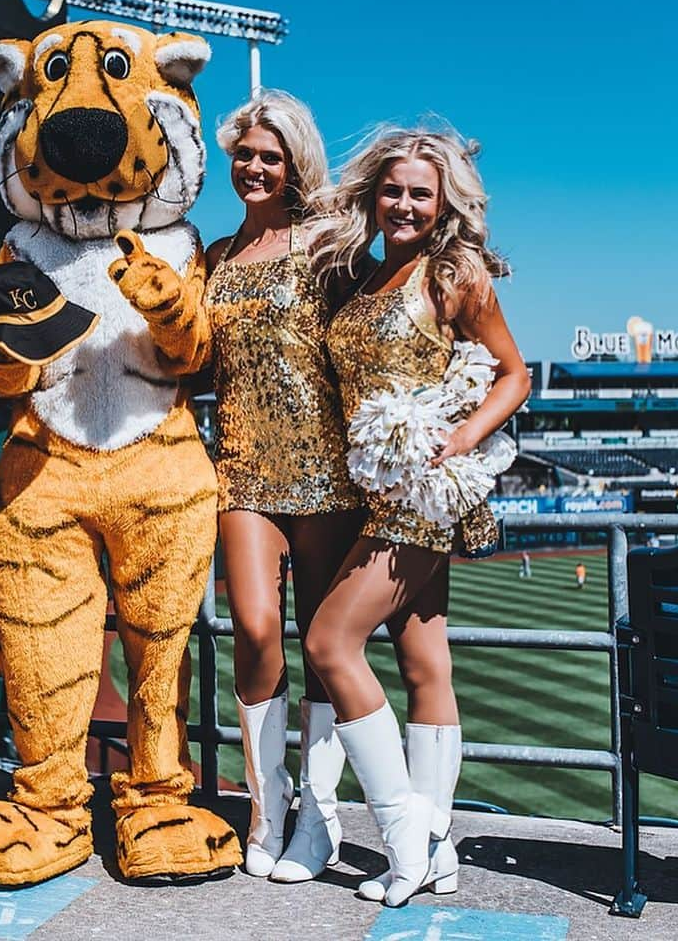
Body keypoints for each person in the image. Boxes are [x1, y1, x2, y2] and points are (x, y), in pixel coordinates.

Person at [303, 125, 531, 905]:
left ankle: (401, 839)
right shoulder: (363, 276)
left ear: (443, 206)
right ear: (375, 194)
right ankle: (436, 845)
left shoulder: (452, 273)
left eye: (419, 194)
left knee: (331, 641)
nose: (403, 204)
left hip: (423, 493)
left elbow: (513, 373)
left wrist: (461, 435)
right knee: (425, 661)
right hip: (373, 488)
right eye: (392, 190)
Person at [204, 91, 367, 882]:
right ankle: (265, 811)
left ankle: (317, 819)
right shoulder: (212, 256)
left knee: (323, 646)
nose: (255, 167)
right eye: (245, 154)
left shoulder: (330, 243)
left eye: (270, 155)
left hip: (327, 468)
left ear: (295, 162)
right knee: (255, 628)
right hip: (239, 467)